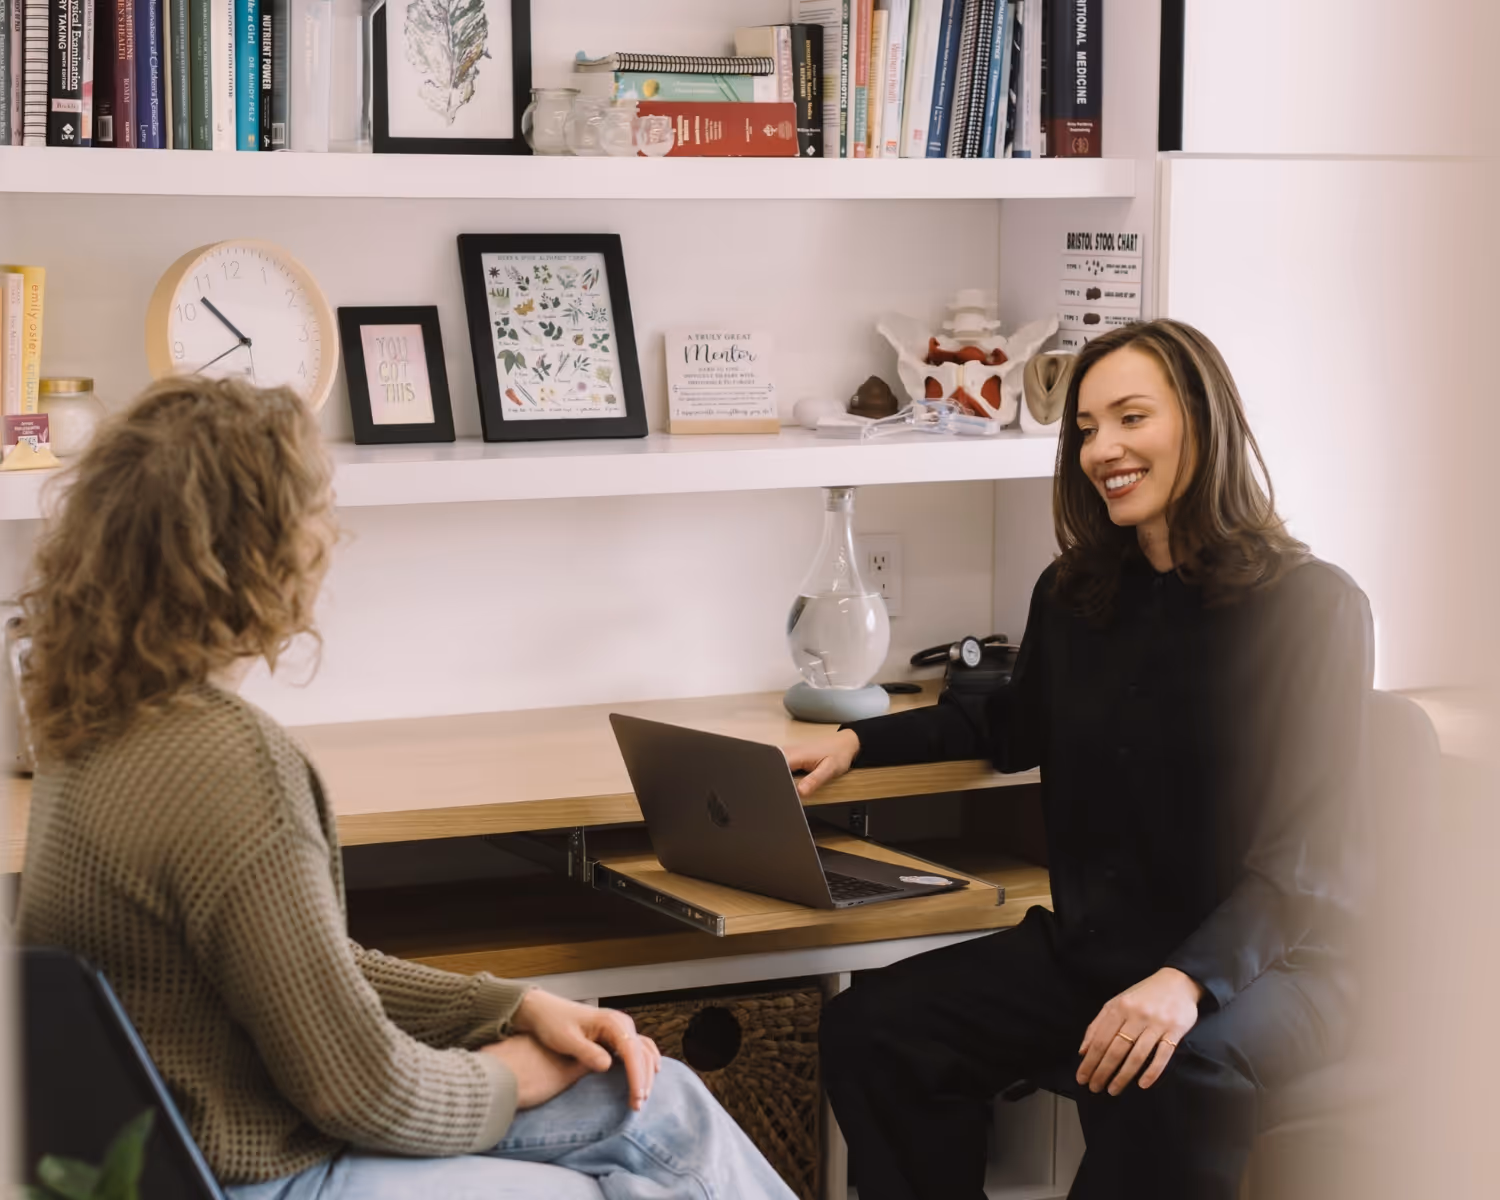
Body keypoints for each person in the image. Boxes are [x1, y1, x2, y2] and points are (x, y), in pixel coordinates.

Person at [14, 377, 795, 1200]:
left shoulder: (88, 729)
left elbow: (301, 967)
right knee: (648, 1141)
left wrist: (510, 1007)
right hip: (249, 1173)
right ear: (264, 550)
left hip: (166, 1160)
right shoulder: (227, 762)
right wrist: (511, 1075)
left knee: (656, 1100)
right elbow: (360, 1092)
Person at [786, 319, 1372, 1200]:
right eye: (1088, 429)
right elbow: (1010, 724)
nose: (1105, 449)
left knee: (1167, 1071)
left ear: (1203, 424)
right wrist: (860, 737)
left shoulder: (1314, 607)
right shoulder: (1074, 592)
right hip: (1104, 950)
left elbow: (1307, 862)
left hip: (1272, 968)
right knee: (877, 1029)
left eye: (1132, 417)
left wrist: (1186, 983)